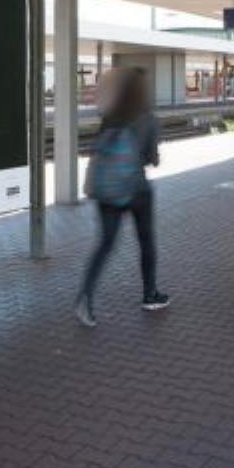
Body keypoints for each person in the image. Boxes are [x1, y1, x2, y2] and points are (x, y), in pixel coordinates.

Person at [76, 67, 170, 327]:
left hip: (107, 191)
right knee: (146, 242)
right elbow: (152, 159)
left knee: (105, 244)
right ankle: (150, 294)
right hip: (137, 190)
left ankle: (85, 295)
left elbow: (96, 150)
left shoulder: (110, 115)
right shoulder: (148, 118)